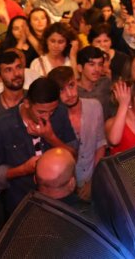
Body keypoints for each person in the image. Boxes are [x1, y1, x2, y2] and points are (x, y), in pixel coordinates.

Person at [0, 77, 76, 213]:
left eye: (52, 111)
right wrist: (22, 170)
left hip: (60, 199)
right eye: (41, 112)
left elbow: (74, 155)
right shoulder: (1, 126)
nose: (47, 117)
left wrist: (50, 137)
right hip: (21, 203)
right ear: (27, 103)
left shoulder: (60, 113)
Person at [46, 66, 106, 200]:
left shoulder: (94, 106)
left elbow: (100, 145)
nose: (70, 94)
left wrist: (93, 181)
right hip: (65, 188)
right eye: (62, 90)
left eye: (71, 85)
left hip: (95, 180)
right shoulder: (54, 118)